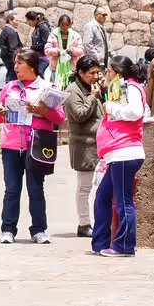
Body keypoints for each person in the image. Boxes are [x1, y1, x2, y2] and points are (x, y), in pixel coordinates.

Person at [0, 49, 62, 244]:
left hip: (36, 145)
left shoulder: (46, 88)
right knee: (12, 189)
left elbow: (59, 117)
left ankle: (39, 229)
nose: (15, 67)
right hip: (11, 145)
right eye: (15, 63)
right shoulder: (9, 88)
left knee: (35, 188)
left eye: (19, 64)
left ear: (32, 67)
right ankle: (8, 229)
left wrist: (43, 111)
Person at [91, 55, 146, 258]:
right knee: (102, 197)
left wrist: (109, 107)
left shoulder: (131, 87)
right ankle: (101, 242)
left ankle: (124, 245)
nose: (107, 75)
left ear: (119, 72)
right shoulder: (120, 88)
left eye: (110, 71)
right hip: (116, 153)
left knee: (123, 202)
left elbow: (135, 112)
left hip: (125, 152)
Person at [63, 56, 103, 237]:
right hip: (84, 146)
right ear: (80, 73)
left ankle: (100, 221)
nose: (96, 76)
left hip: (100, 144)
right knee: (84, 187)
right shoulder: (72, 91)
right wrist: (92, 97)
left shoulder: (93, 87)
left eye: (97, 72)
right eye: (92, 73)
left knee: (101, 187)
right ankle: (84, 223)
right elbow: (79, 115)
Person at [49, 13, 81, 87]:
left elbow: (80, 50)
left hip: (71, 68)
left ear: (70, 25)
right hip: (56, 68)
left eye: (67, 25)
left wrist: (72, 50)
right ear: (59, 24)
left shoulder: (75, 36)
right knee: (55, 88)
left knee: (70, 88)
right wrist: (58, 51)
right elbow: (47, 50)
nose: (64, 27)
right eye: (62, 24)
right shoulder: (53, 35)